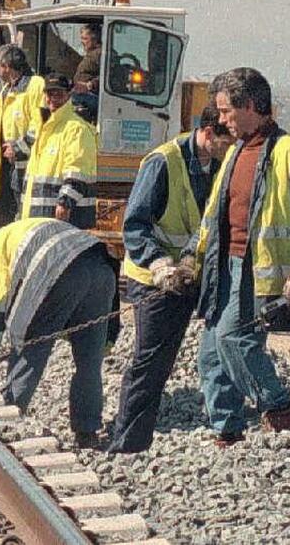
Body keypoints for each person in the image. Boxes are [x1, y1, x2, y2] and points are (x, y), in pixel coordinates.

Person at [175, 68, 290, 447]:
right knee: (211, 353)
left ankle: (280, 412)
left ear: (250, 105)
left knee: (233, 338)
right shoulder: (234, 156)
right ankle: (227, 433)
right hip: (223, 267)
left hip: (256, 272)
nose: (222, 119)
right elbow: (213, 218)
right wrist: (189, 260)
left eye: (227, 111)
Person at [106, 106, 234, 454]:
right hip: (155, 279)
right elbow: (134, 225)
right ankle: (128, 444)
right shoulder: (163, 162)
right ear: (209, 133)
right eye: (227, 140)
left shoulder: (220, 165)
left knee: (218, 351)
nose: (231, 148)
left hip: (192, 275)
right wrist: (160, 264)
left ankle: (228, 431)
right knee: (150, 365)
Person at [0, 218, 117, 449]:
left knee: (29, 344)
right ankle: (87, 431)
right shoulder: (9, 237)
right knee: (89, 361)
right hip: (101, 269)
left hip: (60, 269)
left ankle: (5, 421)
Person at [0, 46, 44, 232]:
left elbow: (42, 126)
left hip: (22, 171)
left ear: (7, 66)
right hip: (2, 172)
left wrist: (18, 149)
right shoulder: (5, 92)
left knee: (21, 226)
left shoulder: (35, 86)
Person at [20, 73, 98, 229]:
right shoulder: (44, 128)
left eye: (59, 94)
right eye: (50, 94)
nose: (53, 99)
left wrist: (65, 203)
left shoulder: (76, 129)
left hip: (65, 221)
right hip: (37, 218)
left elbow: (77, 171)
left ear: (68, 95)